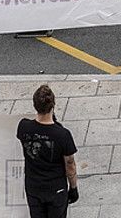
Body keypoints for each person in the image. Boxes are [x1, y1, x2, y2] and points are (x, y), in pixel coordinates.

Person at [17, 84, 79, 218]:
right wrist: (73, 188)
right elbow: (70, 165)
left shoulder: (23, 127)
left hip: (33, 187)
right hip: (56, 189)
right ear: (53, 106)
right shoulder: (62, 134)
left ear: (35, 105)